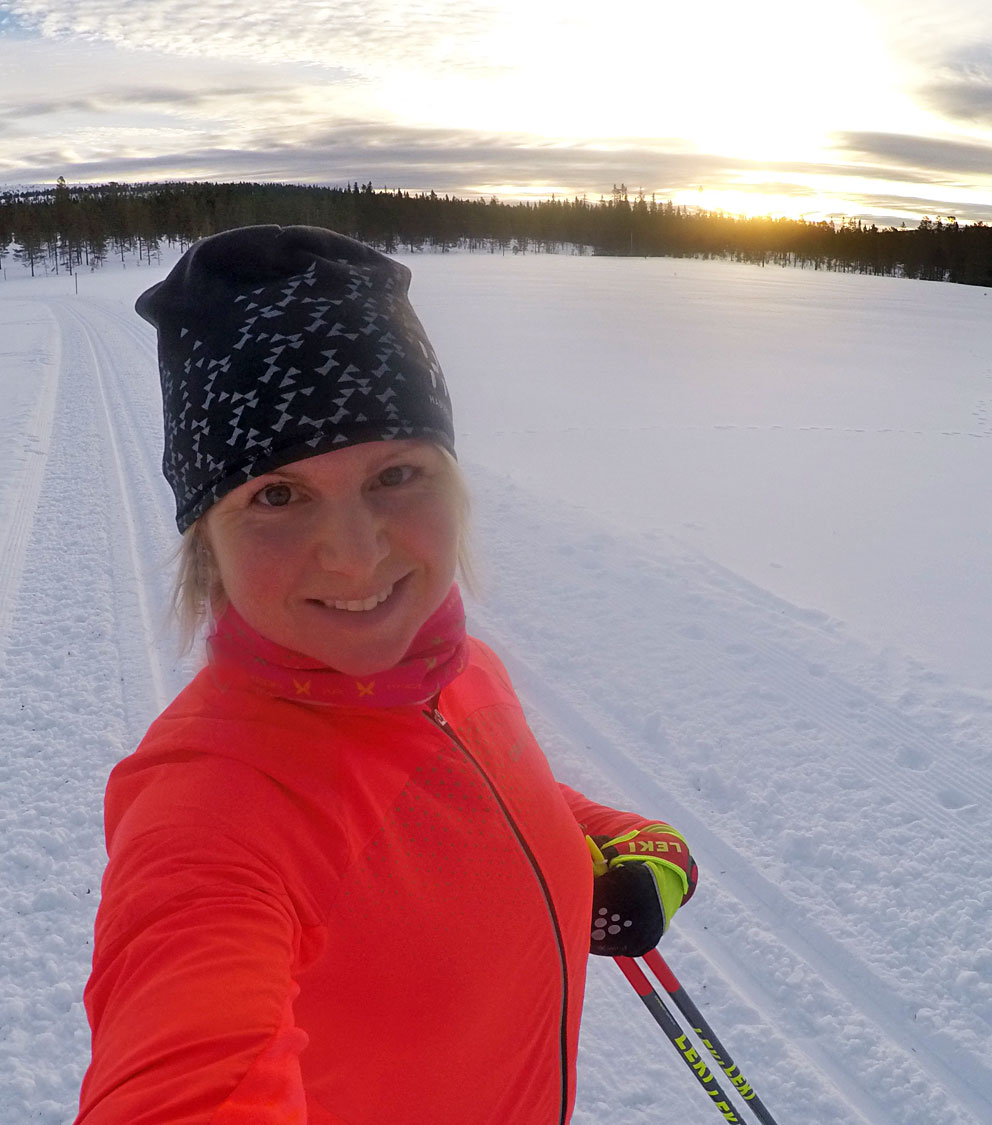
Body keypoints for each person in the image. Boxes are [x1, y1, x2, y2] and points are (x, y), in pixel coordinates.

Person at [75, 225, 698, 1124]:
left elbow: (481, 791)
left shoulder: (460, 674)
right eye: (277, 496)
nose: (357, 558)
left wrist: (643, 849)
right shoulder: (210, 812)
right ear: (205, 540)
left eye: (396, 474)